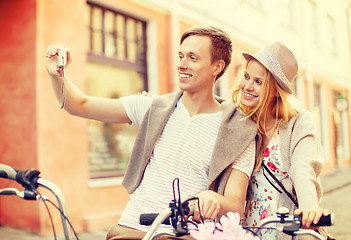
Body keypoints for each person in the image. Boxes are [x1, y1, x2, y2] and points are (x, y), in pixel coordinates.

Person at [45, 25, 260, 240]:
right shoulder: (152, 107)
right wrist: (58, 76)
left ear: (217, 67)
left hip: (183, 234)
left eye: (192, 58)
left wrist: (213, 199)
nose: (181, 65)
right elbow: (80, 104)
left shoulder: (237, 131)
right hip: (132, 228)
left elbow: (234, 206)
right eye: (180, 56)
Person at [232, 42, 329, 240]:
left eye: (259, 82)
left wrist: (309, 205)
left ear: (276, 90)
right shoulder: (238, 120)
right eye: (247, 77)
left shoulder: (299, 121)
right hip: (246, 231)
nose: (248, 87)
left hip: (285, 229)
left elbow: (303, 168)